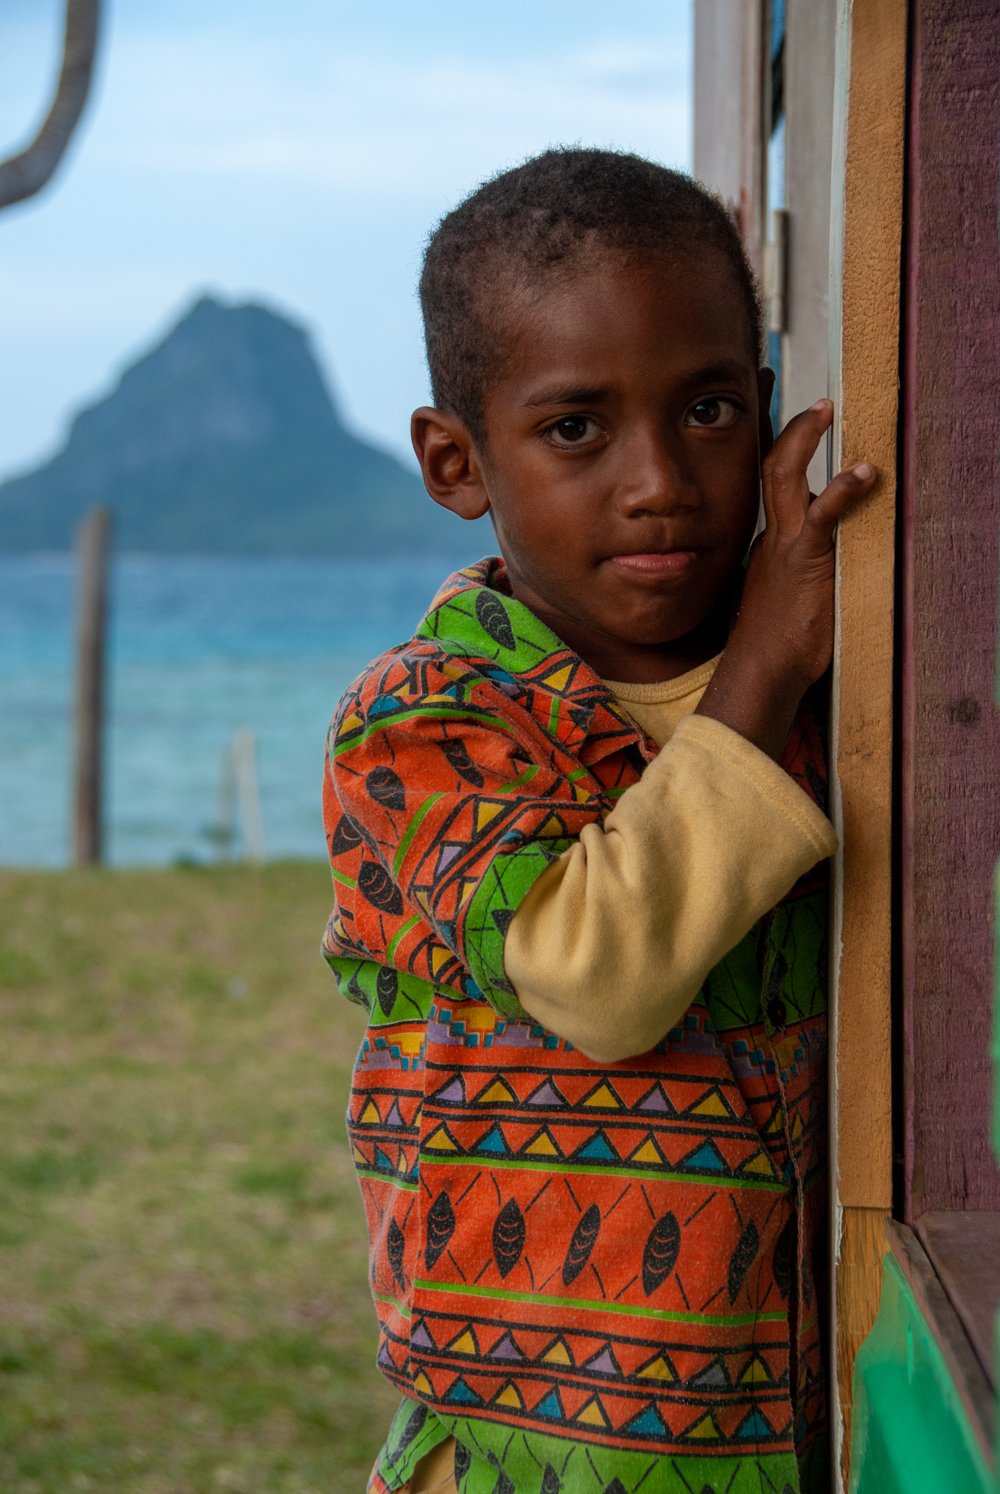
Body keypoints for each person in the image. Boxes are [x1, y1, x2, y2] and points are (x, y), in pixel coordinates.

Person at [322, 148, 875, 1494]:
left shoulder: (840, 689)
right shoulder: (426, 720)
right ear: (457, 461)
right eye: (577, 427)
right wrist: (761, 668)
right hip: (528, 1451)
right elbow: (593, 971)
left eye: (709, 409)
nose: (660, 481)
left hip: (794, 1429)